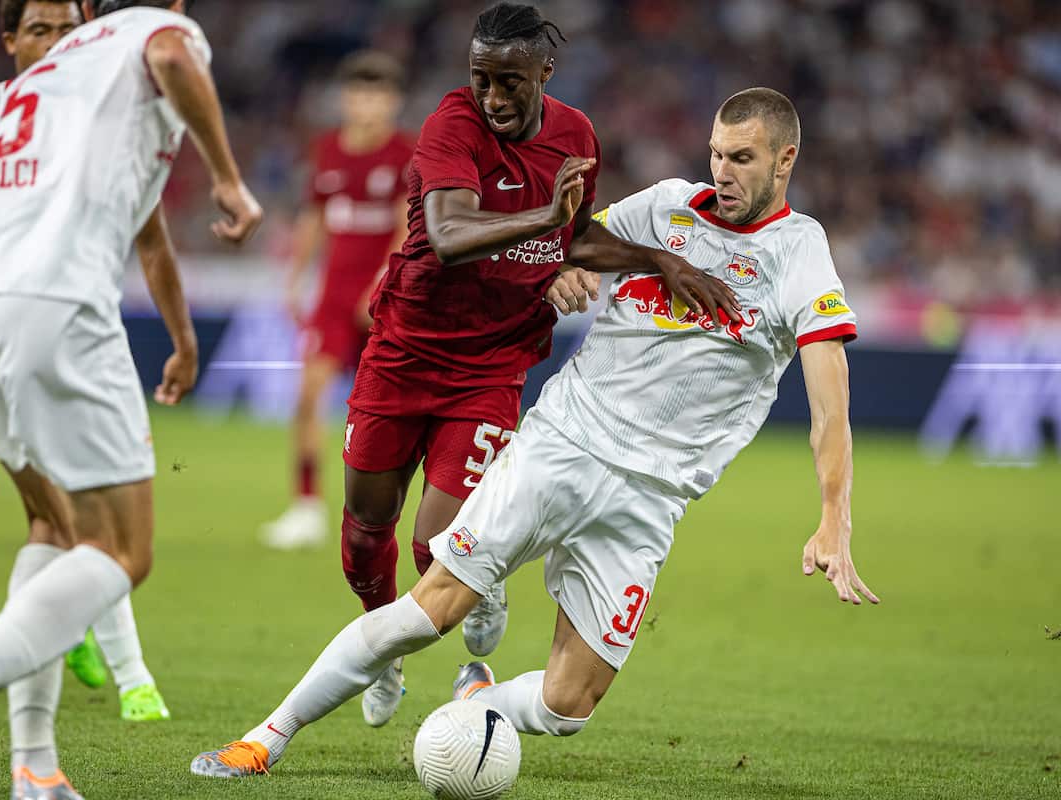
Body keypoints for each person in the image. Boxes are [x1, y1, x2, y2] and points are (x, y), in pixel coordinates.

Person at [189, 85, 879, 781]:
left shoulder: (798, 250)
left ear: (785, 159)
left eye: (742, 158)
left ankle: (476, 706)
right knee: (432, 607)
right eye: (715, 154)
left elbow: (831, 400)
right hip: (565, 443)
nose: (722, 172)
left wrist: (833, 515)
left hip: (652, 499)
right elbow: (579, 238)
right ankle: (265, 738)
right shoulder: (666, 206)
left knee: (568, 705)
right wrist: (572, 267)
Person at [0, 1, 263, 798]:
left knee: (54, 524)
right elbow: (174, 58)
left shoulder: (42, 80)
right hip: (55, 303)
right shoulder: (154, 32)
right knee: (123, 552)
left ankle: (35, 770)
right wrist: (228, 179)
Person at [321, 1, 738, 730]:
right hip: (405, 349)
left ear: (545, 70)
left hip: (493, 361)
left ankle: (482, 590)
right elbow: (450, 234)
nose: (494, 98)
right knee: (364, 529)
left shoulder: (577, 135)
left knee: (437, 544)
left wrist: (653, 259)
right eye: (482, 80)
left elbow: (575, 238)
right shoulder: (451, 124)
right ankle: (380, 651)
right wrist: (546, 221)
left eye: (510, 82)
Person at [0, 0, 175, 727]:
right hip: (49, 325)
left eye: (68, 28)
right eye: (40, 29)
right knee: (100, 542)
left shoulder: (90, 106)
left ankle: (36, 763)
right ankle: (118, 674)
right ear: (9, 40)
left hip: (10, 320)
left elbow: (149, 236)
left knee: (56, 530)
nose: (57, 41)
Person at [263, 50, 415, 550]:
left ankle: (397, 511)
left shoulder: (403, 153)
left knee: (395, 410)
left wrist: (381, 284)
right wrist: (295, 277)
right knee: (308, 395)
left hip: (385, 299)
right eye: (357, 93)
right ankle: (306, 506)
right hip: (332, 297)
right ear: (345, 99)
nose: (365, 104)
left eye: (376, 95)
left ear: (392, 102)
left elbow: (404, 224)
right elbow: (313, 218)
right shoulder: (327, 148)